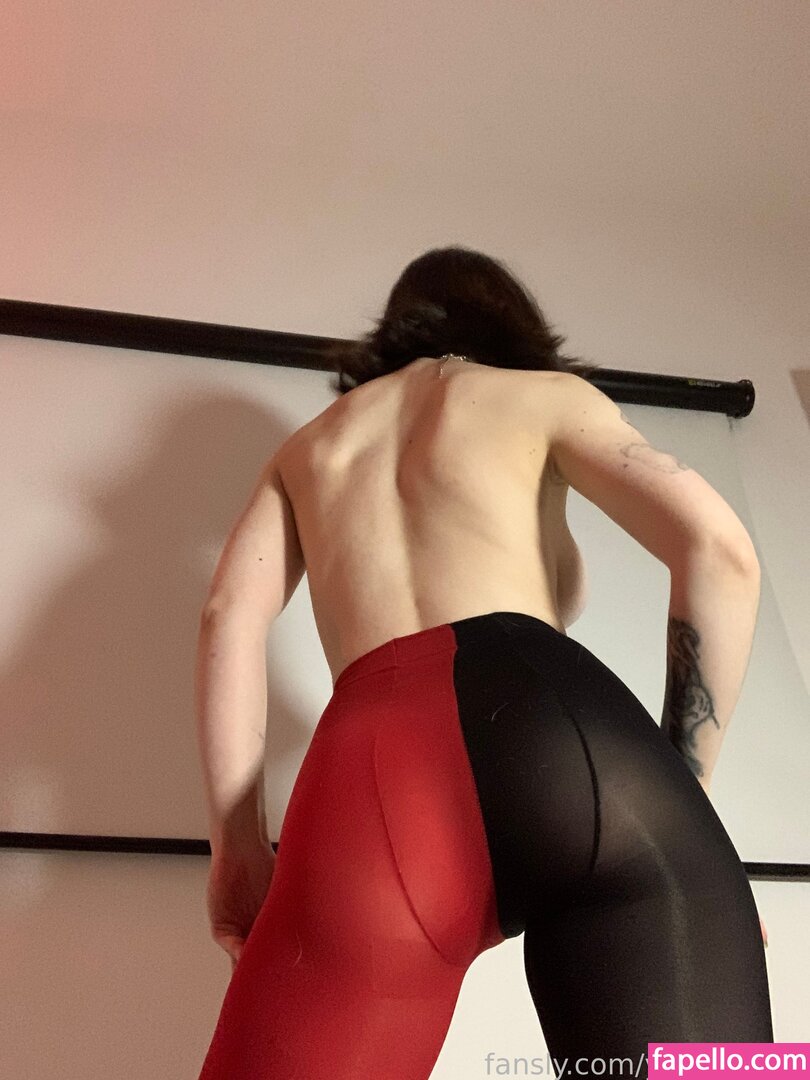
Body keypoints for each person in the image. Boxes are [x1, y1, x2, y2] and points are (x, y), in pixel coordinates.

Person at [195, 246, 773, 1078]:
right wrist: (688, 799)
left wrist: (238, 849)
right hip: (572, 745)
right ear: (518, 327)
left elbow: (227, 616)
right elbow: (719, 550)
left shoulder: (309, 450)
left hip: (374, 771)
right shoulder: (543, 397)